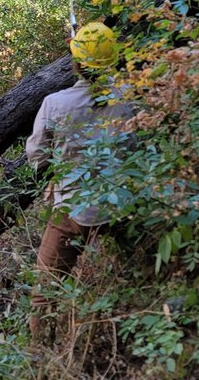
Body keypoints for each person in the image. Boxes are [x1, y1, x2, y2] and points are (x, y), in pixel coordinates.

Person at [25, 22, 135, 339]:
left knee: (45, 292)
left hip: (74, 211)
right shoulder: (129, 98)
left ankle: (41, 350)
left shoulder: (55, 104)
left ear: (75, 63)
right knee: (129, 270)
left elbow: (37, 156)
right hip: (122, 203)